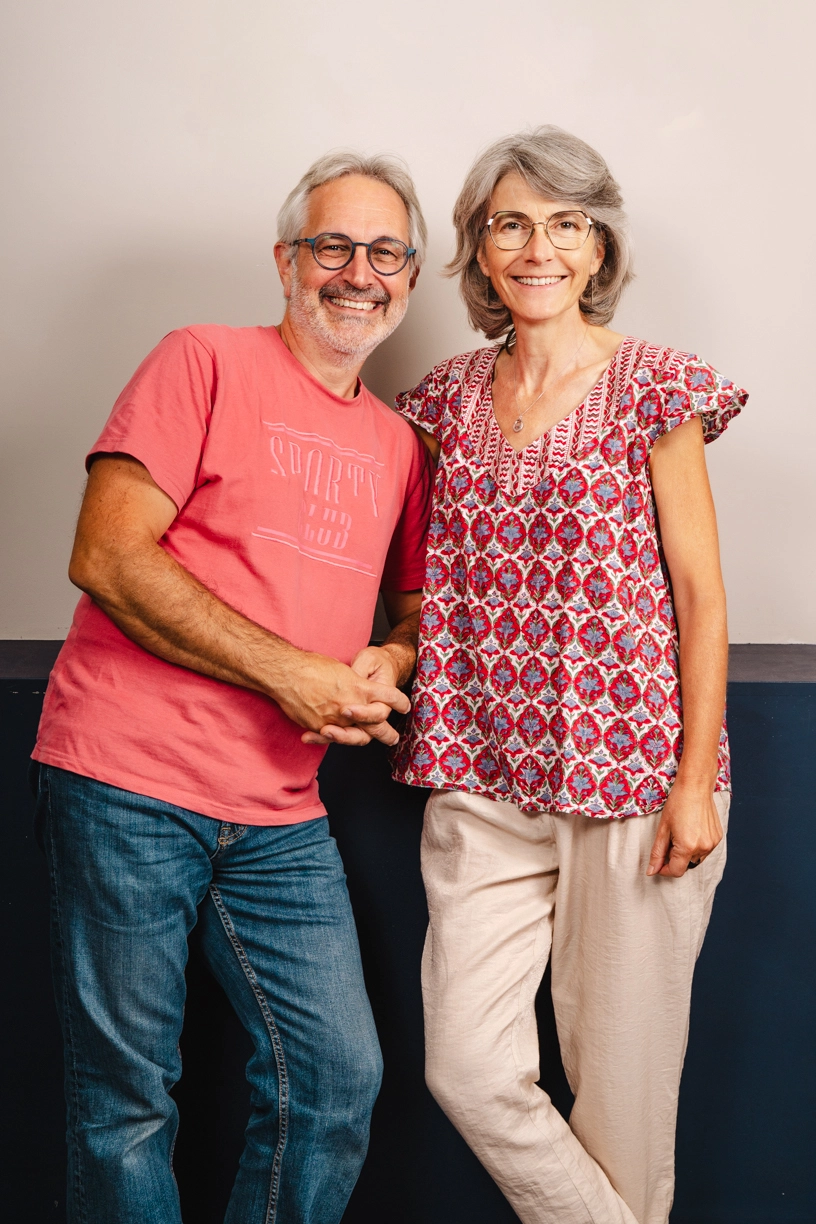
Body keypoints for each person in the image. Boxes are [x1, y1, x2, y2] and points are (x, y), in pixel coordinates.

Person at [32, 150, 433, 1224]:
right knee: (125, 1107)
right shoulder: (200, 359)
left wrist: (386, 664)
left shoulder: (398, 444)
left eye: (385, 251)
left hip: (279, 817)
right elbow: (108, 556)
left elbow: (411, 613)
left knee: (337, 1082)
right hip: (125, 784)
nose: (359, 272)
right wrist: (293, 674)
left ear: (412, 274)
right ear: (286, 260)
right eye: (332, 246)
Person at [389, 127, 747, 1224]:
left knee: (622, 1109)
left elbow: (701, 596)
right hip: (483, 778)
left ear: (598, 248)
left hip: (633, 782)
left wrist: (693, 781)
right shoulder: (443, 398)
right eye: (510, 223)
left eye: (566, 223)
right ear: (480, 252)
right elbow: (415, 570)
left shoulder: (655, 386)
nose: (538, 247)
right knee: (466, 1066)